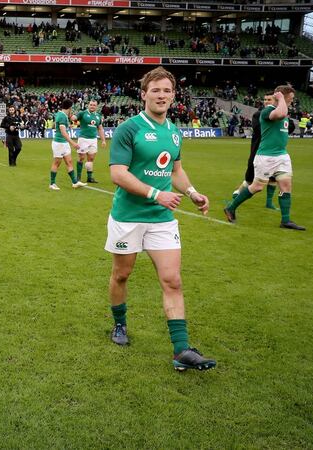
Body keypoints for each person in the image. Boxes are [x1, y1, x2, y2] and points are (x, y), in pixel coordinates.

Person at [105, 66, 216, 371]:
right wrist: (156, 194)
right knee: (121, 275)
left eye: (167, 90)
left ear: (173, 96)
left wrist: (192, 192)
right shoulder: (129, 128)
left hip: (161, 218)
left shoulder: (174, 132)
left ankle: (181, 351)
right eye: (156, 90)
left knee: (172, 280)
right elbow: (118, 174)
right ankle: (119, 324)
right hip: (128, 217)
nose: (162, 95)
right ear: (144, 94)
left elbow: (175, 171)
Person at [224, 85, 305, 231]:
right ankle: (231, 207)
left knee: (286, 186)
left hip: (282, 156)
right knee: (257, 187)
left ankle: (285, 220)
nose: (292, 101)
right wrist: (280, 99)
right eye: (290, 98)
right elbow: (280, 114)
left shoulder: (283, 111)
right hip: (266, 157)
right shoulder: (268, 111)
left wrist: (282, 101)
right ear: (282, 96)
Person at [231, 93, 278, 210]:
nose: (266, 102)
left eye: (269, 99)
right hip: (258, 151)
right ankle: (237, 193)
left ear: (276, 101)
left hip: (274, 152)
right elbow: (259, 129)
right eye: (265, 99)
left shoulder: (280, 114)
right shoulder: (258, 114)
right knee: (250, 178)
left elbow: (289, 127)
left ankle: (269, 203)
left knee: (273, 178)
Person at [49, 99, 86, 190]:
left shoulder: (62, 115)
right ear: (70, 107)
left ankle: (75, 182)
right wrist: (73, 143)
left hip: (64, 143)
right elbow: (63, 132)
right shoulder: (62, 116)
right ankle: (52, 184)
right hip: (59, 143)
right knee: (57, 163)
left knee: (69, 161)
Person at [74, 99, 107, 183]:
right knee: (81, 157)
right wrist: (73, 118)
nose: (92, 106)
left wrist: (103, 140)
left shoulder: (98, 116)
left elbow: (100, 129)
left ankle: (89, 177)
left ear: (97, 106)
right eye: (91, 104)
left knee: (91, 158)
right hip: (83, 139)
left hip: (93, 139)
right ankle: (78, 177)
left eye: (94, 105)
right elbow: (75, 119)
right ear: (88, 105)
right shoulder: (82, 113)